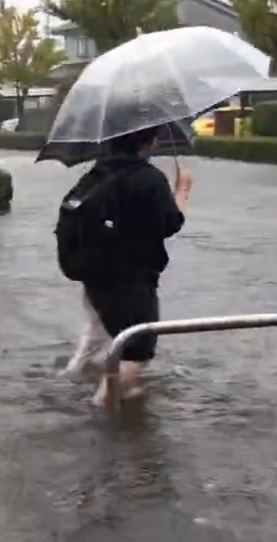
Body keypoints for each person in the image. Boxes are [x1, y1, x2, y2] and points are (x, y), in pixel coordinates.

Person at [56, 125, 192, 409]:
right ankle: (104, 407)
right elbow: (170, 223)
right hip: (129, 279)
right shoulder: (148, 178)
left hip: (92, 274)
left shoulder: (96, 174)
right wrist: (183, 189)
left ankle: (71, 380)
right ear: (150, 141)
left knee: (98, 334)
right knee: (136, 349)